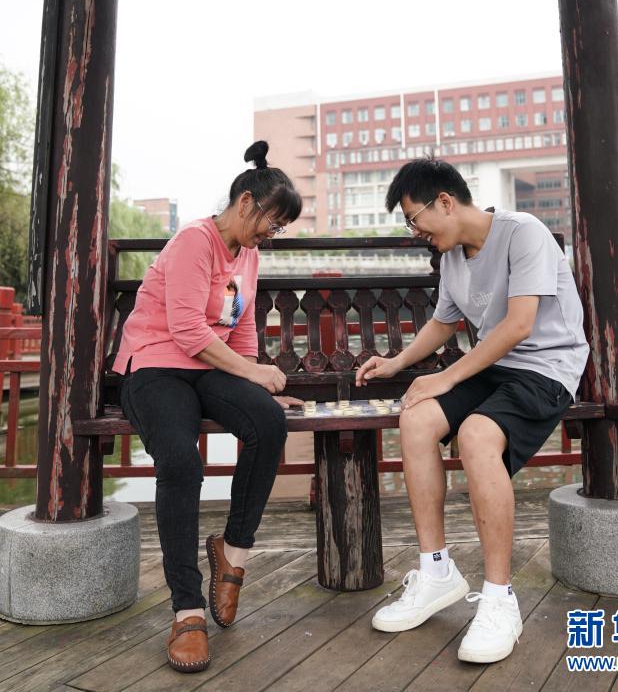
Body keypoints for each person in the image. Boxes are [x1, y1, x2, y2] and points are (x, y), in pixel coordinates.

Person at [356, 157, 589, 664]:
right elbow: (443, 324)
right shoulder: (453, 258)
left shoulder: (523, 232)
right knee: (416, 417)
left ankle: (500, 598)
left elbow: (519, 325)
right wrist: (396, 363)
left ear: (444, 201)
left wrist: (446, 376)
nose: (415, 231)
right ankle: (436, 571)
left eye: (414, 218)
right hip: (493, 366)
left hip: (547, 367)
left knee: (478, 435)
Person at [114, 140, 302, 673]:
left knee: (268, 422)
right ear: (245, 203)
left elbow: (241, 330)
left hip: (208, 369)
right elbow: (186, 330)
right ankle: (187, 611)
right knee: (180, 462)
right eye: (272, 222)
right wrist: (254, 373)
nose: (272, 234)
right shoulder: (194, 241)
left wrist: (260, 387)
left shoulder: (249, 255)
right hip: (155, 366)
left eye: (280, 227)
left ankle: (233, 554)